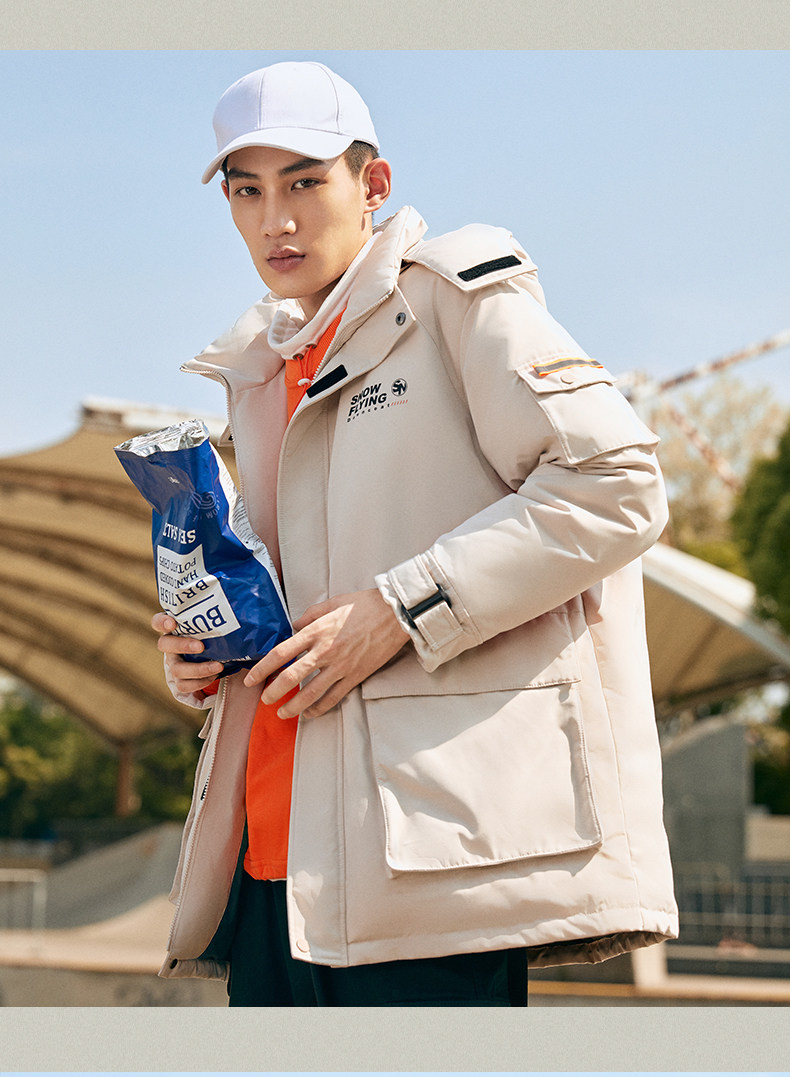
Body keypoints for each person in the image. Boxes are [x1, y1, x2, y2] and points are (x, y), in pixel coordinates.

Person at [154, 59, 678, 1006]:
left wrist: (400, 609)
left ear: (374, 184)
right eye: (248, 191)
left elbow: (618, 485)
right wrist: (208, 648)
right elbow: (299, 605)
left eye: (304, 183)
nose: (276, 221)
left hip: (429, 867)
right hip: (271, 868)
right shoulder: (258, 371)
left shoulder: (451, 302)